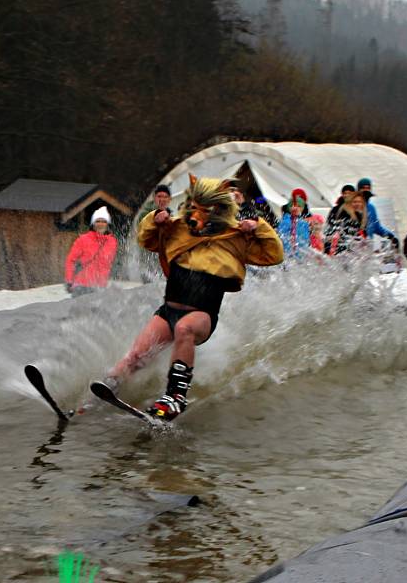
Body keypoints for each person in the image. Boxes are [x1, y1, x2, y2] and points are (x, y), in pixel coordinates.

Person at [93, 175, 284, 421]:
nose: (197, 214)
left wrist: (259, 227)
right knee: (136, 356)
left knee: (185, 328)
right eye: (194, 207)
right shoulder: (179, 229)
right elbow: (145, 239)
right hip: (168, 311)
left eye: (206, 210)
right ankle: (105, 391)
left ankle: (175, 397)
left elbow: (273, 255)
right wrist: (154, 219)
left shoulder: (235, 237)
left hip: (202, 315)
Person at [64, 207, 118, 296]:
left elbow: (108, 263)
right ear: (93, 224)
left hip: (100, 287)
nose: (100, 224)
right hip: (82, 285)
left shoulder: (112, 241)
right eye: (98, 221)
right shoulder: (83, 239)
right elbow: (71, 260)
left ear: (107, 224)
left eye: (103, 221)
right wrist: (69, 279)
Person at [355, 178, 398, 246]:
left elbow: (376, 227)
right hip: (354, 244)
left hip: (367, 246)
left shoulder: (371, 207)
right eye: (363, 188)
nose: (366, 190)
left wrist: (391, 236)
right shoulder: (353, 205)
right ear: (358, 189)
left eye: (368, 188)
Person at [277, 189, 312, 260]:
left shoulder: (304, 223)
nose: (296, 208)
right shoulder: (285, 221)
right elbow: (280, 238)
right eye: (293, 205)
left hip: (300, 256)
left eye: (299, 206)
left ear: (302, 208)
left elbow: (306, 241)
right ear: (289, 207)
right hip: (287, 255)